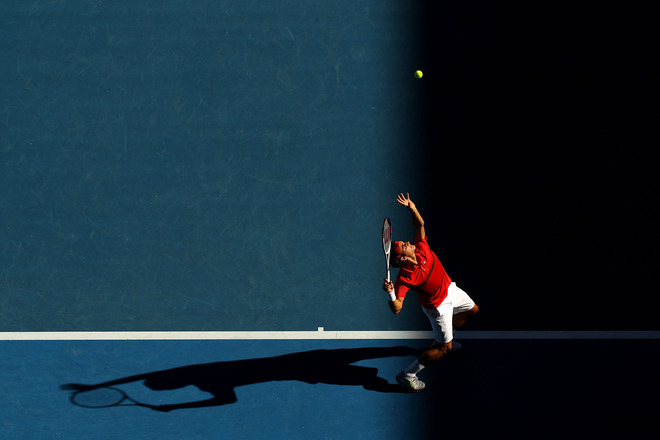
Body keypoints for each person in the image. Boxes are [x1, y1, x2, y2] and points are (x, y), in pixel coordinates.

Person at [382, 193, 479, 392]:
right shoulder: (404, 278)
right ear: (401, 259)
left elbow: (420, 224)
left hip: (450, 289)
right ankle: (408, 374)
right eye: (403, 246)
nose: (407, 243)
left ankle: (443, 338)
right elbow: (397, 308)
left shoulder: (421, 246)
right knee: (445, 348)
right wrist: (391, 293)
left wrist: (412, 208)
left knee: (472, 310)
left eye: (403, 242)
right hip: (438, 307)